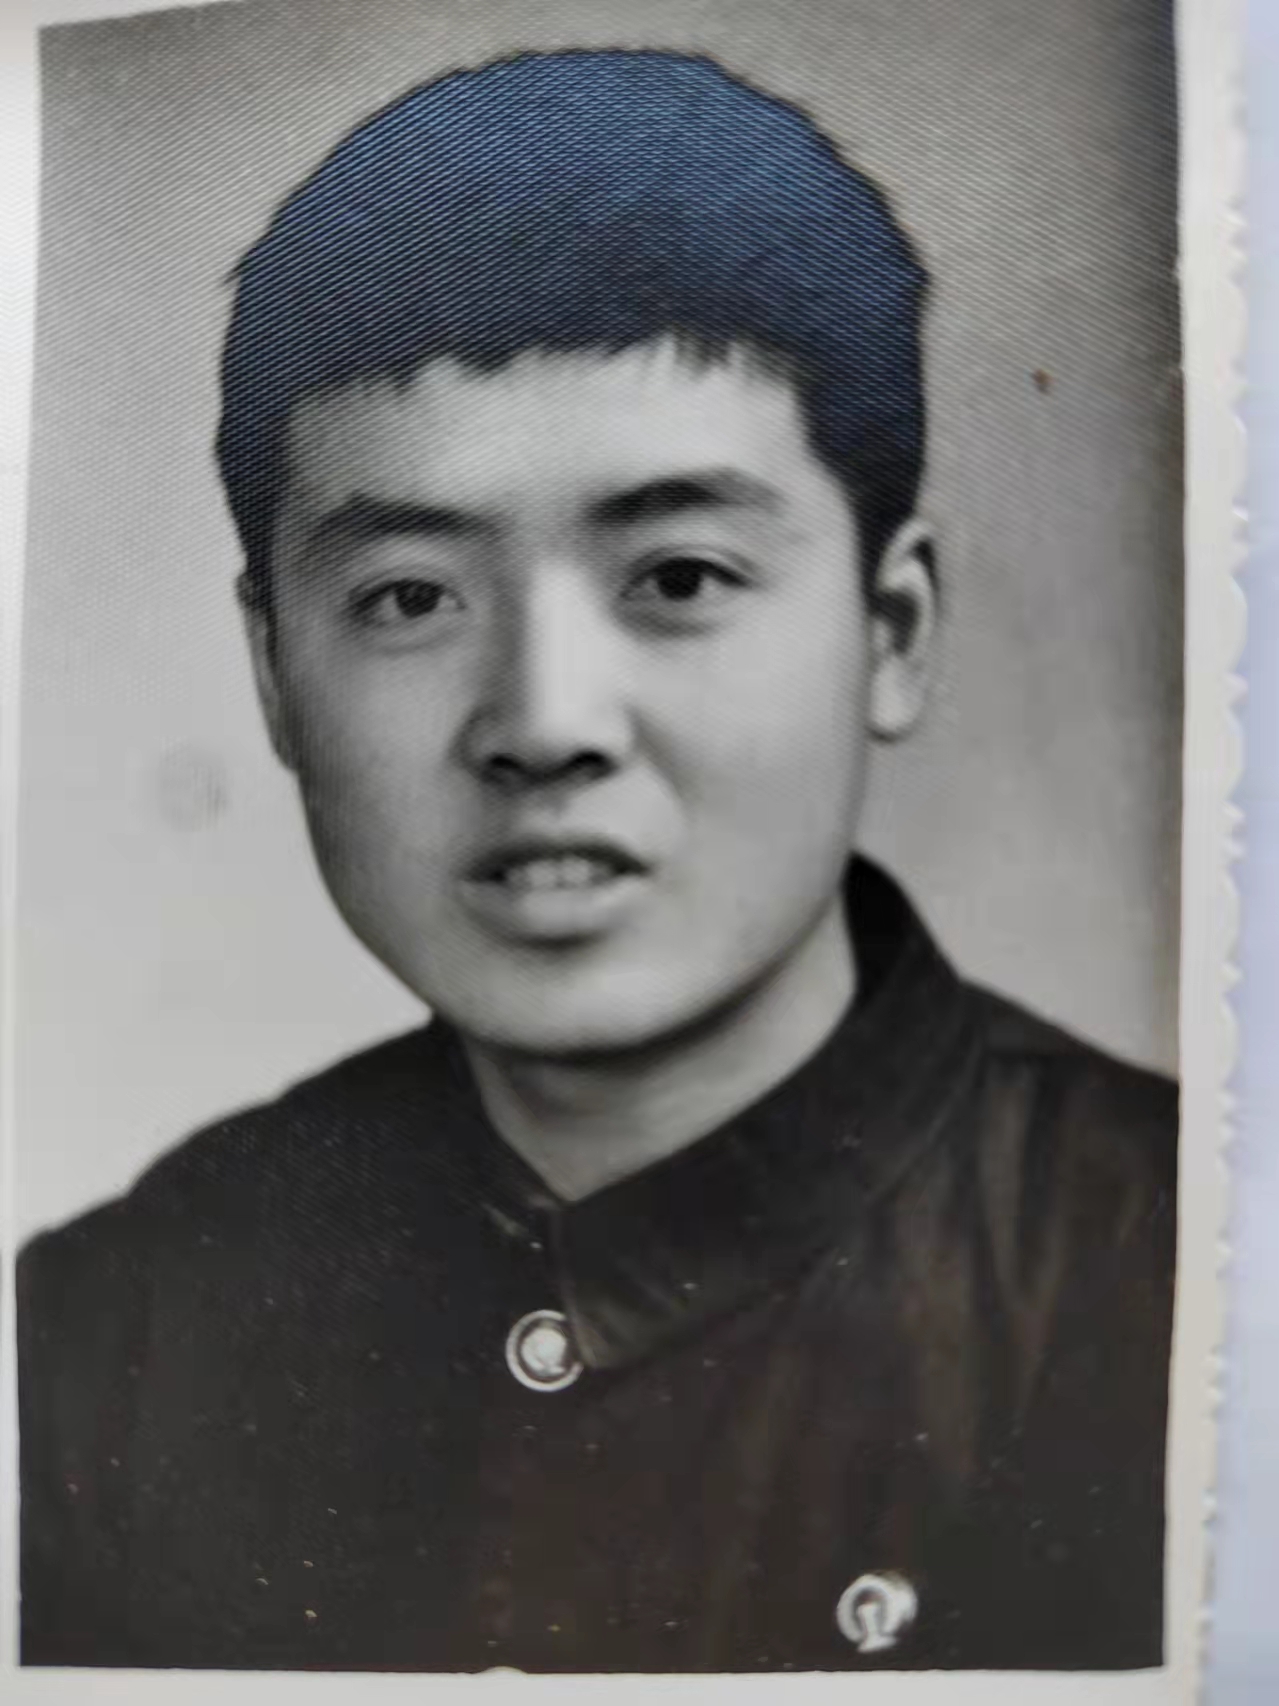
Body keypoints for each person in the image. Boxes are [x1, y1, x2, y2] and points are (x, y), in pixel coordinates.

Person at [17, 48, 1177, 1673]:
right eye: (411, 597)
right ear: (274, 672)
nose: (545, 723)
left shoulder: (1177, 1273)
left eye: (679, 575)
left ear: (891, 627)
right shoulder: (108, 1334)